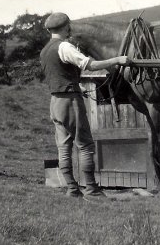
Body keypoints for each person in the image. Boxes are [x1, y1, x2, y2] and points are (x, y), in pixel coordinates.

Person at [40, 12, 130, 198]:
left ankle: (72, 189)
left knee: (64, 147)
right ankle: (91, 189)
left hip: (55, 102)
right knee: (85, 145)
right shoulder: (64, 46)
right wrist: (117, 60)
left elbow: (58, 74)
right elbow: (90, 65)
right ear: (66, 27)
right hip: (70, 101)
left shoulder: (45, 50)